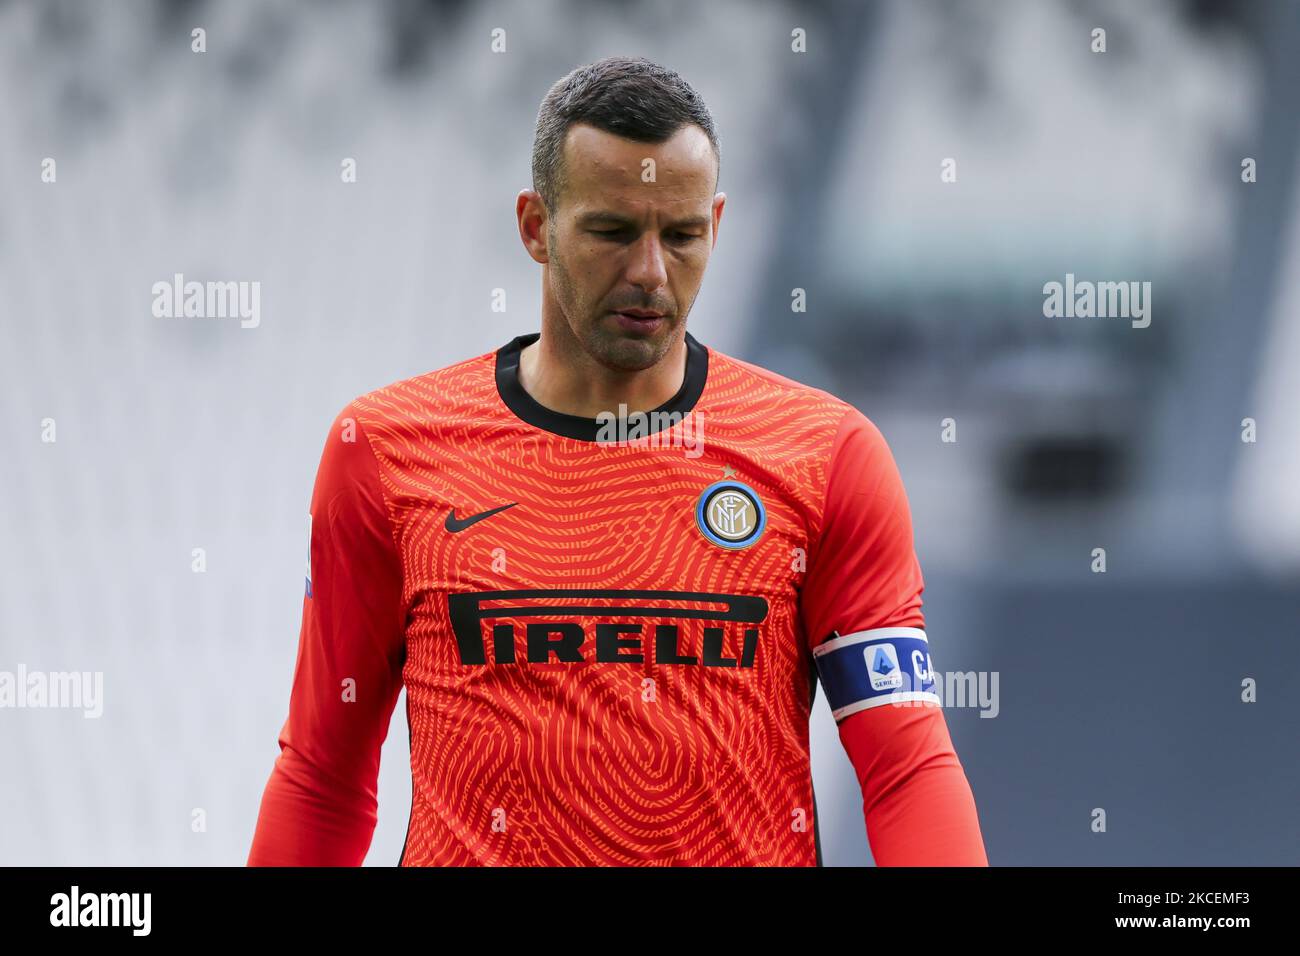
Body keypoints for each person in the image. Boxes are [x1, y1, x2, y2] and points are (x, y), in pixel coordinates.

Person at [247, 55, 987, 866]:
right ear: (535, 225)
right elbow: (323, 775)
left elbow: (906, 767)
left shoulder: (825, 454)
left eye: (681, 235)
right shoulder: (385, 451)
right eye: (610, 232)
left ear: (718, 225)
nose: (649, 273)